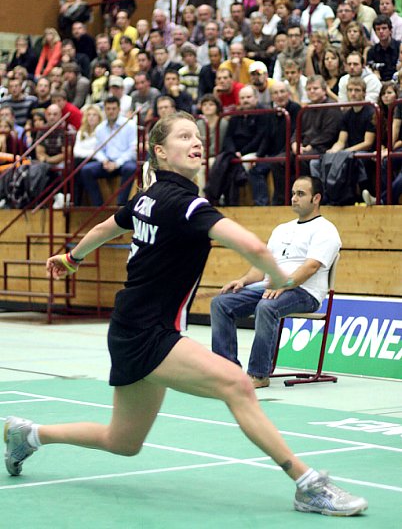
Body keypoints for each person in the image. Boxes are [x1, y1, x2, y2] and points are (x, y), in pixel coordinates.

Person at [4, 114, 368, 518]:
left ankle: (29, 434)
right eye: (184, 136)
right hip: (148, 332)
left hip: (132, 327)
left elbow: (108, 226)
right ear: (161, 152)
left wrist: (72, 258)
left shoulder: (147, 197)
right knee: (237, 384)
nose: (197, 142)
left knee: (124, 440)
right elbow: (253, 247)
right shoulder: (187, 204)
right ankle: (308, 485)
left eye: (198, 135)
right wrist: (280, 275)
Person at [211, 174, 341, 384]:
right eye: (293, 194)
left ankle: (258, 374)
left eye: (301, 194)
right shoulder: (282, 229)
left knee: (267, 306)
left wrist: (284, 284)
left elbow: (311, 267)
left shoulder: (326, 230)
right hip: (272, 287)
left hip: (304, 292)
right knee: (221, 303)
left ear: (316, 198)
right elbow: (262, 267)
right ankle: (228, 371)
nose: (294, 198)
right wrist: (244, 280)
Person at [80, 96, 137, 206]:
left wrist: (117, 163)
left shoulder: (129, 125)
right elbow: (98, 149)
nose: (111, 111)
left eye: (114, 108)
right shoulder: (100, 128)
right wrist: (104, 160)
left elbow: (132, 150)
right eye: (108, 109)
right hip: (107, 162)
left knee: (131, 168)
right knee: (86, 170)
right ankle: (98, 205)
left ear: (119, 109)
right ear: (104, 110)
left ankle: (121, 205)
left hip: (123, 162)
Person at [72, 104, 103, 205]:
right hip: (82, 161)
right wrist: (89, 153)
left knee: (78, 166)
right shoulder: (81, 132)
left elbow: (98, 151)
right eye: (89, 115)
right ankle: (76, 201)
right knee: (75, 165)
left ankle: (77, 201)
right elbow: (76, 151)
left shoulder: (102, 130)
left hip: (97, 160)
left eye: (94, 115)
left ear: (99, 117)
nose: (91, 117)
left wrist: (88, 153)